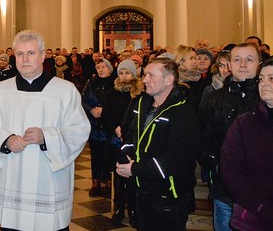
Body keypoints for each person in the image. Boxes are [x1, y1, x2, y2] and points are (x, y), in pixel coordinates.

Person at [0, 29, 90, 231]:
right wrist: (7, 139)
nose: (25, 59)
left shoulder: (64, 90)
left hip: (49, 178)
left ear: (43, 55)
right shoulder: (1, 90)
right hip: (14, 176)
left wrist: (46, 136)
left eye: (31, 53)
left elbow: (79, 130)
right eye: (19, 54)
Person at [116, 57, 201, 231]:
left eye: (151, 75)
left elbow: (176, 160)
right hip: (142, 189)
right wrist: (126, 158)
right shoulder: (142, 103)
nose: (144, 79)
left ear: (169, 79)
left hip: (169, 194)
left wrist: (135, 169)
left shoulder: (183, 112)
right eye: (145, 74)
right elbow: (130, 136)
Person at [199, 43, 261, 231]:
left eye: (249, 59)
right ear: (228, 65)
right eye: (237, 60)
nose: (243, 64)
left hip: (261, 191)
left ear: (259, 64)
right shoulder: (214, 99)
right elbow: (201, 140)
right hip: (224, 189)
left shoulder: (265, 97)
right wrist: (217, 165)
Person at [220, 58, 273, 230]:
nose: (264, 83)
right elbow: (230, 170)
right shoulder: (245, 123)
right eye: (261, 78)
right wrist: (260, 206)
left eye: (271, 78)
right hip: (254, 216)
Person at [103, 59, 143, 227]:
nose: (124, 76)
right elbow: (106, 114)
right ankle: (119, 208)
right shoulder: (112, 92)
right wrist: (115, 129)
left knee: (132, 176)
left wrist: (128, 131)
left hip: (133, 139)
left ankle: (133, 209)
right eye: (121, 72)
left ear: (133, 74)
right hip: (115, 138)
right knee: (119, 175)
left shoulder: (139, 92)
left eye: (127, 72)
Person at [81, 58, 115, 197]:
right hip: (94, 125)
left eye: (103, 67)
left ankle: (108, 182)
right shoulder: (91, 83)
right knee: (96, 154)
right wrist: (91, 109)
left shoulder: (115, 83)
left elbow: (118, 102)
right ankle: (95, 182)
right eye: (98, 67)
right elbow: (82, 100)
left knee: (109, 155)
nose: (100, 69)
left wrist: (105, 110)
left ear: (109, 69)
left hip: (109, 125)